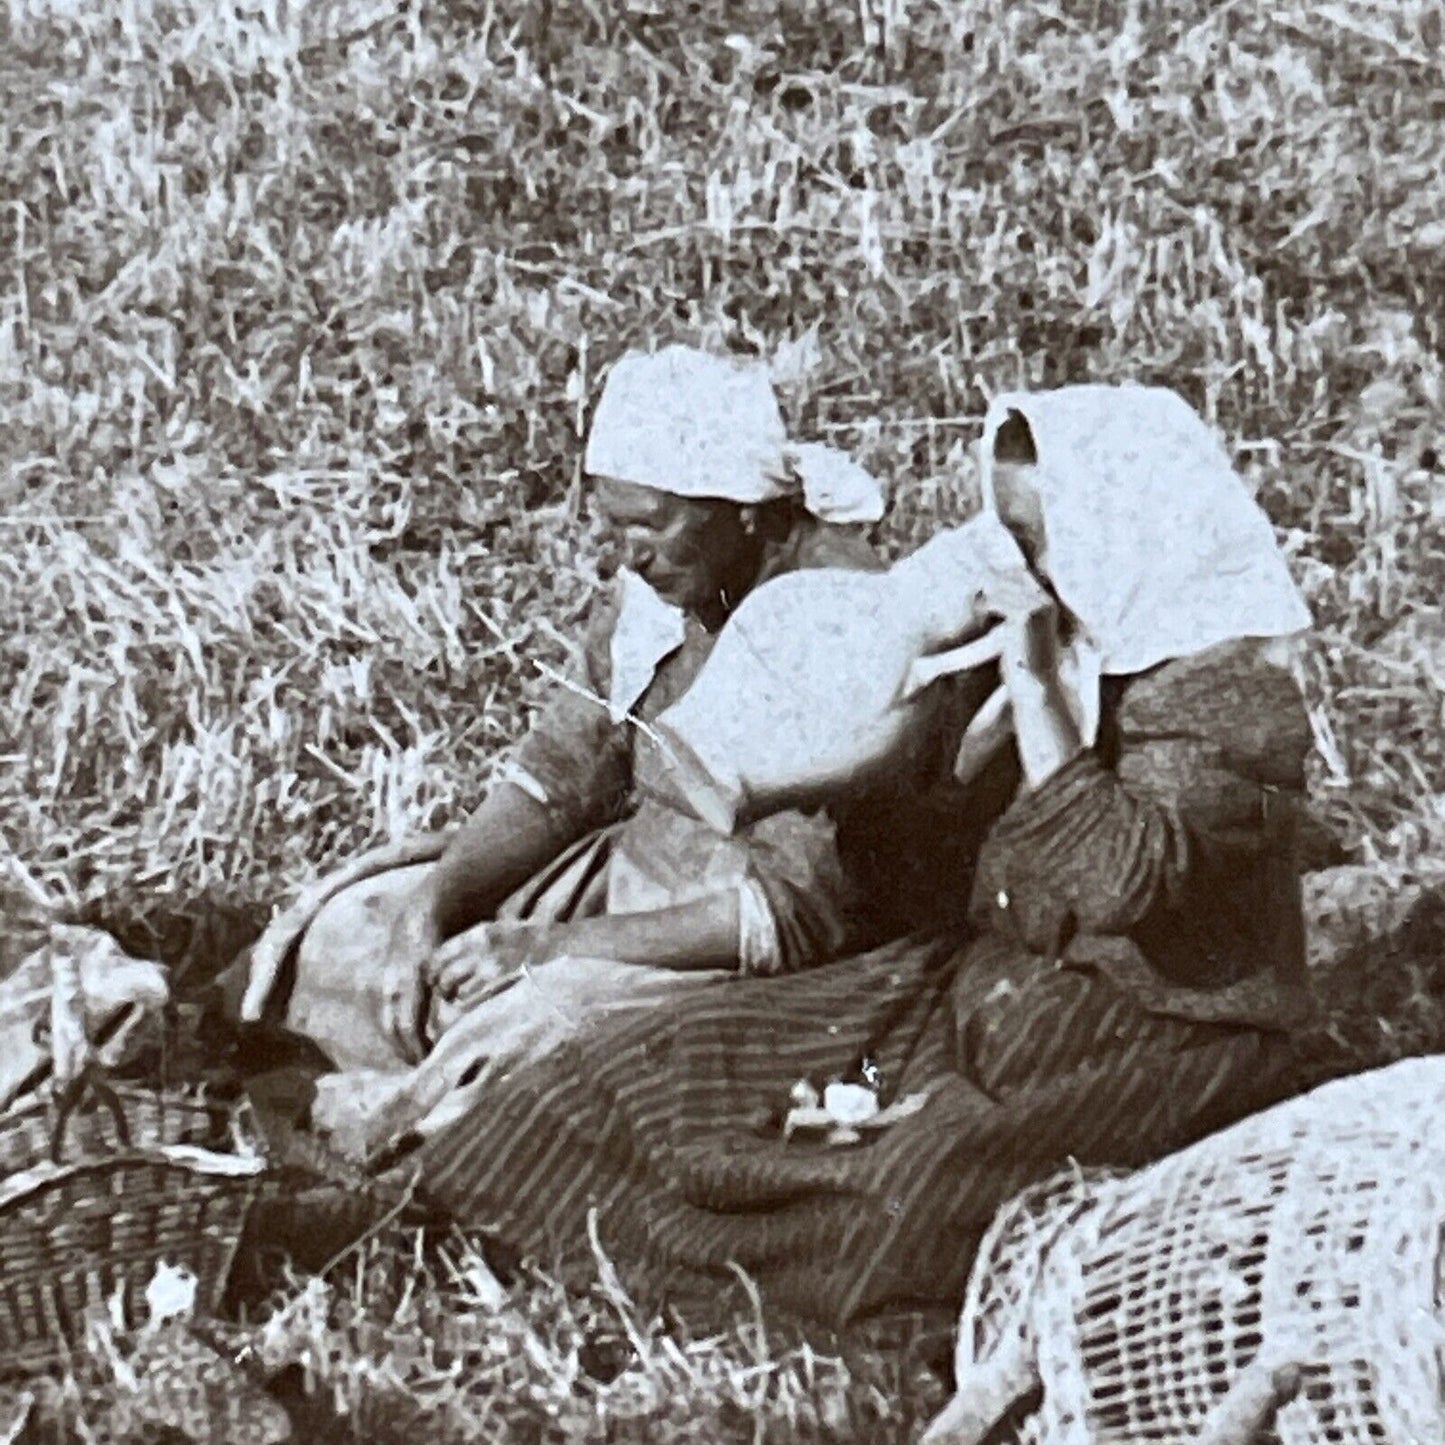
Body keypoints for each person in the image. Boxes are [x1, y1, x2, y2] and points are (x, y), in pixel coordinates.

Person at [403, 382, 1327, 1341]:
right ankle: (433, 1211)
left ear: (1125, 529)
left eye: (1043, 538)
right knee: (665, 1065)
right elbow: (928, 841)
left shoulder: (1225, 686)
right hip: (992, 989)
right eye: (1010, 536)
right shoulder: (1079, 648)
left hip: (1155, 1031)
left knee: (883, 1183)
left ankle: (732, 1297)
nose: (1023, 565)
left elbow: (1122, 881)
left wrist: (1034, 689)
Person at [233, 344, 995, 1157]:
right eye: (615, 525)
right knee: (355, 933)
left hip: (742, 952)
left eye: (651, 525)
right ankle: (360, 1079)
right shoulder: (666, 592)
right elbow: (562, 773)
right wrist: (438, 904)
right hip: (632, 873)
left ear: (738, 507)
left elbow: (792, 915)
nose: (630, 554)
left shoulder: (836, 624)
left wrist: (547, 947)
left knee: (535, 1033)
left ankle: (402, 1138)